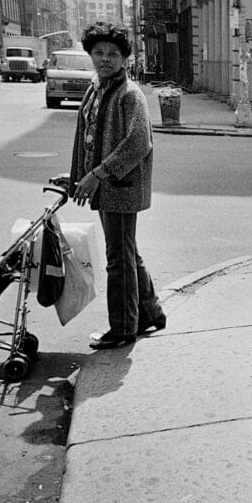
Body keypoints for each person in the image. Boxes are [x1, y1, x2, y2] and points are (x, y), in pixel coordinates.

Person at [69, 22, 166, 350]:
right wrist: (76, 177)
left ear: (125, 58)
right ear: (91, 55)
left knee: (118, 258)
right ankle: (151, 312)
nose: (105, 59)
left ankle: (123, 328)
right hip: (105, 184)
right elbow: (87, 138)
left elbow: (139, 142)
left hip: (121, 186)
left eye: (113, 53)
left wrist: (97, 174)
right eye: (99, 53)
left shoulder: (129, 94)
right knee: (126, 251)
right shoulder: (96, 88)